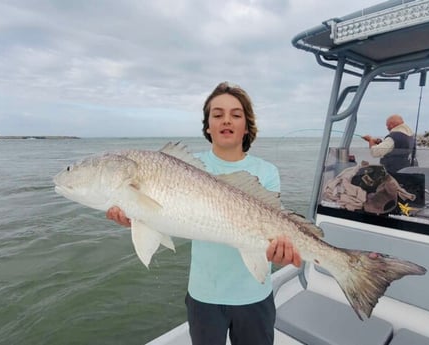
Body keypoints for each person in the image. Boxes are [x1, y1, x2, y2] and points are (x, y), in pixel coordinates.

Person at [105, 81, 301, 345]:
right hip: (204, 296)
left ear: (247, 125)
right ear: (208, 125)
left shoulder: (266, 171)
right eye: (217, 114)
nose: (226, 120)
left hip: (255, 295)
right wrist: (136, 215)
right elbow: (168, 216)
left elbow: (272, 230)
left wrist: (281, 252)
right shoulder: (180, 166)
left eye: (236, 114)